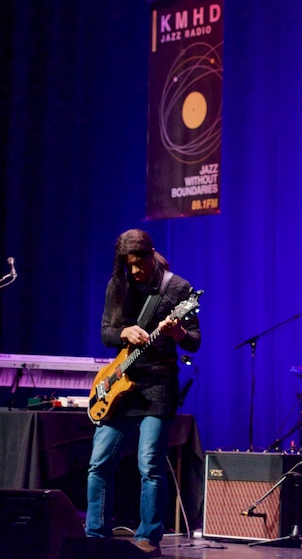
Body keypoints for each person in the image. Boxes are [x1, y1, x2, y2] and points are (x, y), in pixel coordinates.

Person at [86, 229, 201, 557]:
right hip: (120, 384)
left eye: (140, 264)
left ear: (152, 255)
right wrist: (123, 331)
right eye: (129, 266)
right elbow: (107, 333)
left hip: (158, 384)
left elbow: (194, 340)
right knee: (98, 463)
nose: (135, 271)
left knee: (149, 463)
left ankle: (149, 537)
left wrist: (178, 331)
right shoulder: (117, 285)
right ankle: (95, 536)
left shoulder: (177, 288)